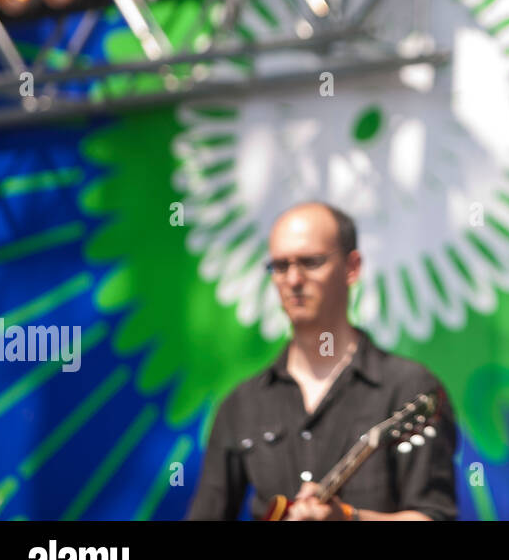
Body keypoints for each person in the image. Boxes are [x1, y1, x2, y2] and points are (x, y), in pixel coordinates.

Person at [186, 202, 457, 520]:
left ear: (352, 267)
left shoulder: (410, 389)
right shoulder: (242, 404)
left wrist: (347, 517)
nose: (294, 279)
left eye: (311, 262)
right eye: (280, 266)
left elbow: (435, 516)